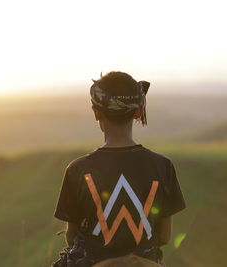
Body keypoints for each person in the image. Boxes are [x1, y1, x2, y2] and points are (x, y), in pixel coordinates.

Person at [52, 71, 186, 267]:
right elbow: (164, 236)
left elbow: (71, 237)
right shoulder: (163, 166)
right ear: (138, 112)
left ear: (96, 112)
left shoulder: (77, 170)